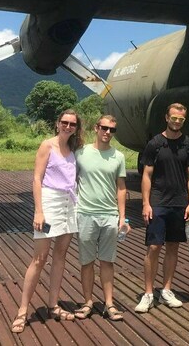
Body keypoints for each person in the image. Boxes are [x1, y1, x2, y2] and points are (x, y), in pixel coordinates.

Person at [11, 109, 83, 333]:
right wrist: (39, 211)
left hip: (70, 204)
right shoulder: (47, 145)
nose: (68, 127)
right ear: (57, 123)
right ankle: (23, 311)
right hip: (50, 201)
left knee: (60, 256)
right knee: (39, 258)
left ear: (76, 128)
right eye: (64, 123)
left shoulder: (73, 149)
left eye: (72, 124)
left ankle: (53, 304)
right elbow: (36, 178)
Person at [136, 103, 189, 313]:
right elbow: (147, 175)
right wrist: (146, 203)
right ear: (166, 118)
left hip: (179, 203)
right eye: (174, 118)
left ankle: (167, 290)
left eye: (181, 119)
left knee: (173, 247)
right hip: (158, 202)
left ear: (184, 120)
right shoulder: (155, 144)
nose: (177, 122)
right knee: (154, 247)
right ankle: (148, 293)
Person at [74, 115, 129, 322]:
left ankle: (109, 303)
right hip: (86, 214)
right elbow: (71, 181)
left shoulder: (119, 157)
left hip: (109, 215)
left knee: (107, 261)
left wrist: (123, 217)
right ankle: (87, 301)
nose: (107, 132)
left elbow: (121, 188)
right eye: (104, 128)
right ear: (96, 128)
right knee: (86, 261)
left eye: (112, 130)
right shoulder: (81, 153)